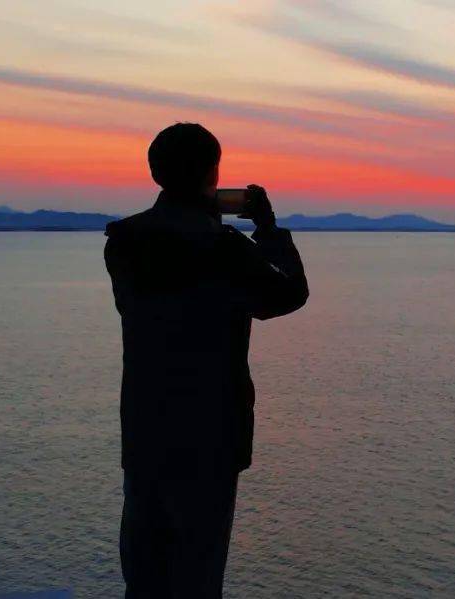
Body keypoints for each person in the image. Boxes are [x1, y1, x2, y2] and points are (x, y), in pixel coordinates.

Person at [104, 123, 308, 598]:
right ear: (213, 173)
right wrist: (269, 231)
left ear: (155, 172)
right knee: (197, 573)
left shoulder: (124, 242)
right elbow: (289, 294)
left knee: (146, 570)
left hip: (146, 431)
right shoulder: (224, 251)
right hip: (209, 437)